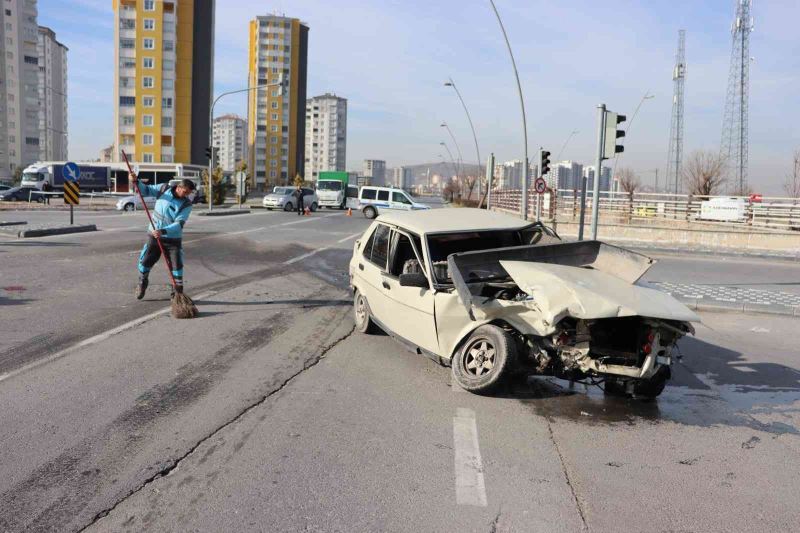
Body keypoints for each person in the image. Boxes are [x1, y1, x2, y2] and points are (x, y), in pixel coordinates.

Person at [130, 173, 197, 300]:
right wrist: (135, 181)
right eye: (186, 192)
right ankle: (142, 283)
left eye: (189, 193)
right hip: (154, 235)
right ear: (178, 187)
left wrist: (163, 231)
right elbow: (146, 190)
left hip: (172, 239)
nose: (187, 195)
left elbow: (179, 224)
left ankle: (177, 294)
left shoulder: (186, 204)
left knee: (177, 267)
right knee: (145, 262)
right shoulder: (163, 189)